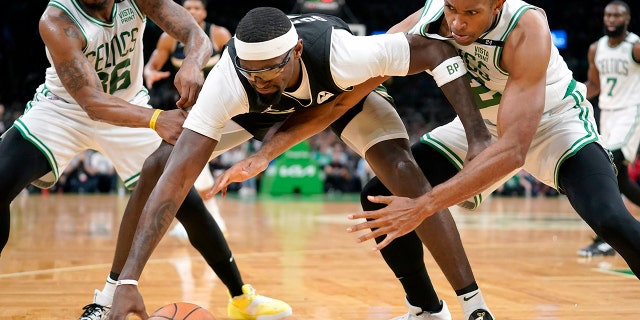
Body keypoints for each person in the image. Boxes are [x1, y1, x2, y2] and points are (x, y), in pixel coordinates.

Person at [108, 7, 496, 320]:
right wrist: (130, 281)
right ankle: (112, 291)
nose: (259, 79)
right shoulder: (230, 81)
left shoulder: (344, 52)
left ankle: (473, 307)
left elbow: (437, 51)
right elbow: (175, 181)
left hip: (339, 96)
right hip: (259, 115)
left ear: (294, 53)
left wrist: (477, 135)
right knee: (160, 163)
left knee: (402, 172)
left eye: (269, 69)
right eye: (251, 72)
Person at [0, 1, 291, 320]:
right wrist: (156, 119)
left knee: (185, 201)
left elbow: (196, 34)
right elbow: (93, 103)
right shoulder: (56, 20)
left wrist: (193, 61)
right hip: (65, 111)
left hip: (130, 105)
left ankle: (241, 298)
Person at [345, 0, 640, 297]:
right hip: (485, 124)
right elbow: (375, 58)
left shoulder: (526, 26)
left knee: (609, 217)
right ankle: (426, 309)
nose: (458, 23)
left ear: (497, 5)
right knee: (380, 194)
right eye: (451, 9)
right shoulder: (432, 15)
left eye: (471, 13)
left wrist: (425, 205)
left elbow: (513, 151)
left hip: (555, 123)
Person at [144, 0, 232, 237]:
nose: (192, 12)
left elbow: (237, 64)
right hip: (189, 106)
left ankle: (206, 215)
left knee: (187, 156)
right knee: (190, 158)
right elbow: (154, 62)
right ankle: (212, 215)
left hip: (218, 103)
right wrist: (149, 71)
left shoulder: (219, 34)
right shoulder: (169, 38)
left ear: (205, 12)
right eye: (188, 8)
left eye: (197, 8)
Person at [578, 0, 640, 257]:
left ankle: (607, 239)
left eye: (618, 15)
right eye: (608, 15)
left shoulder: (635, 47)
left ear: (627, 19)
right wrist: (573, 95)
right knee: (622, 180)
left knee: (606, 168)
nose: (612, 19)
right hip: (607, 114)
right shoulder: (596, 49)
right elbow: (594, 85)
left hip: (631, 114)